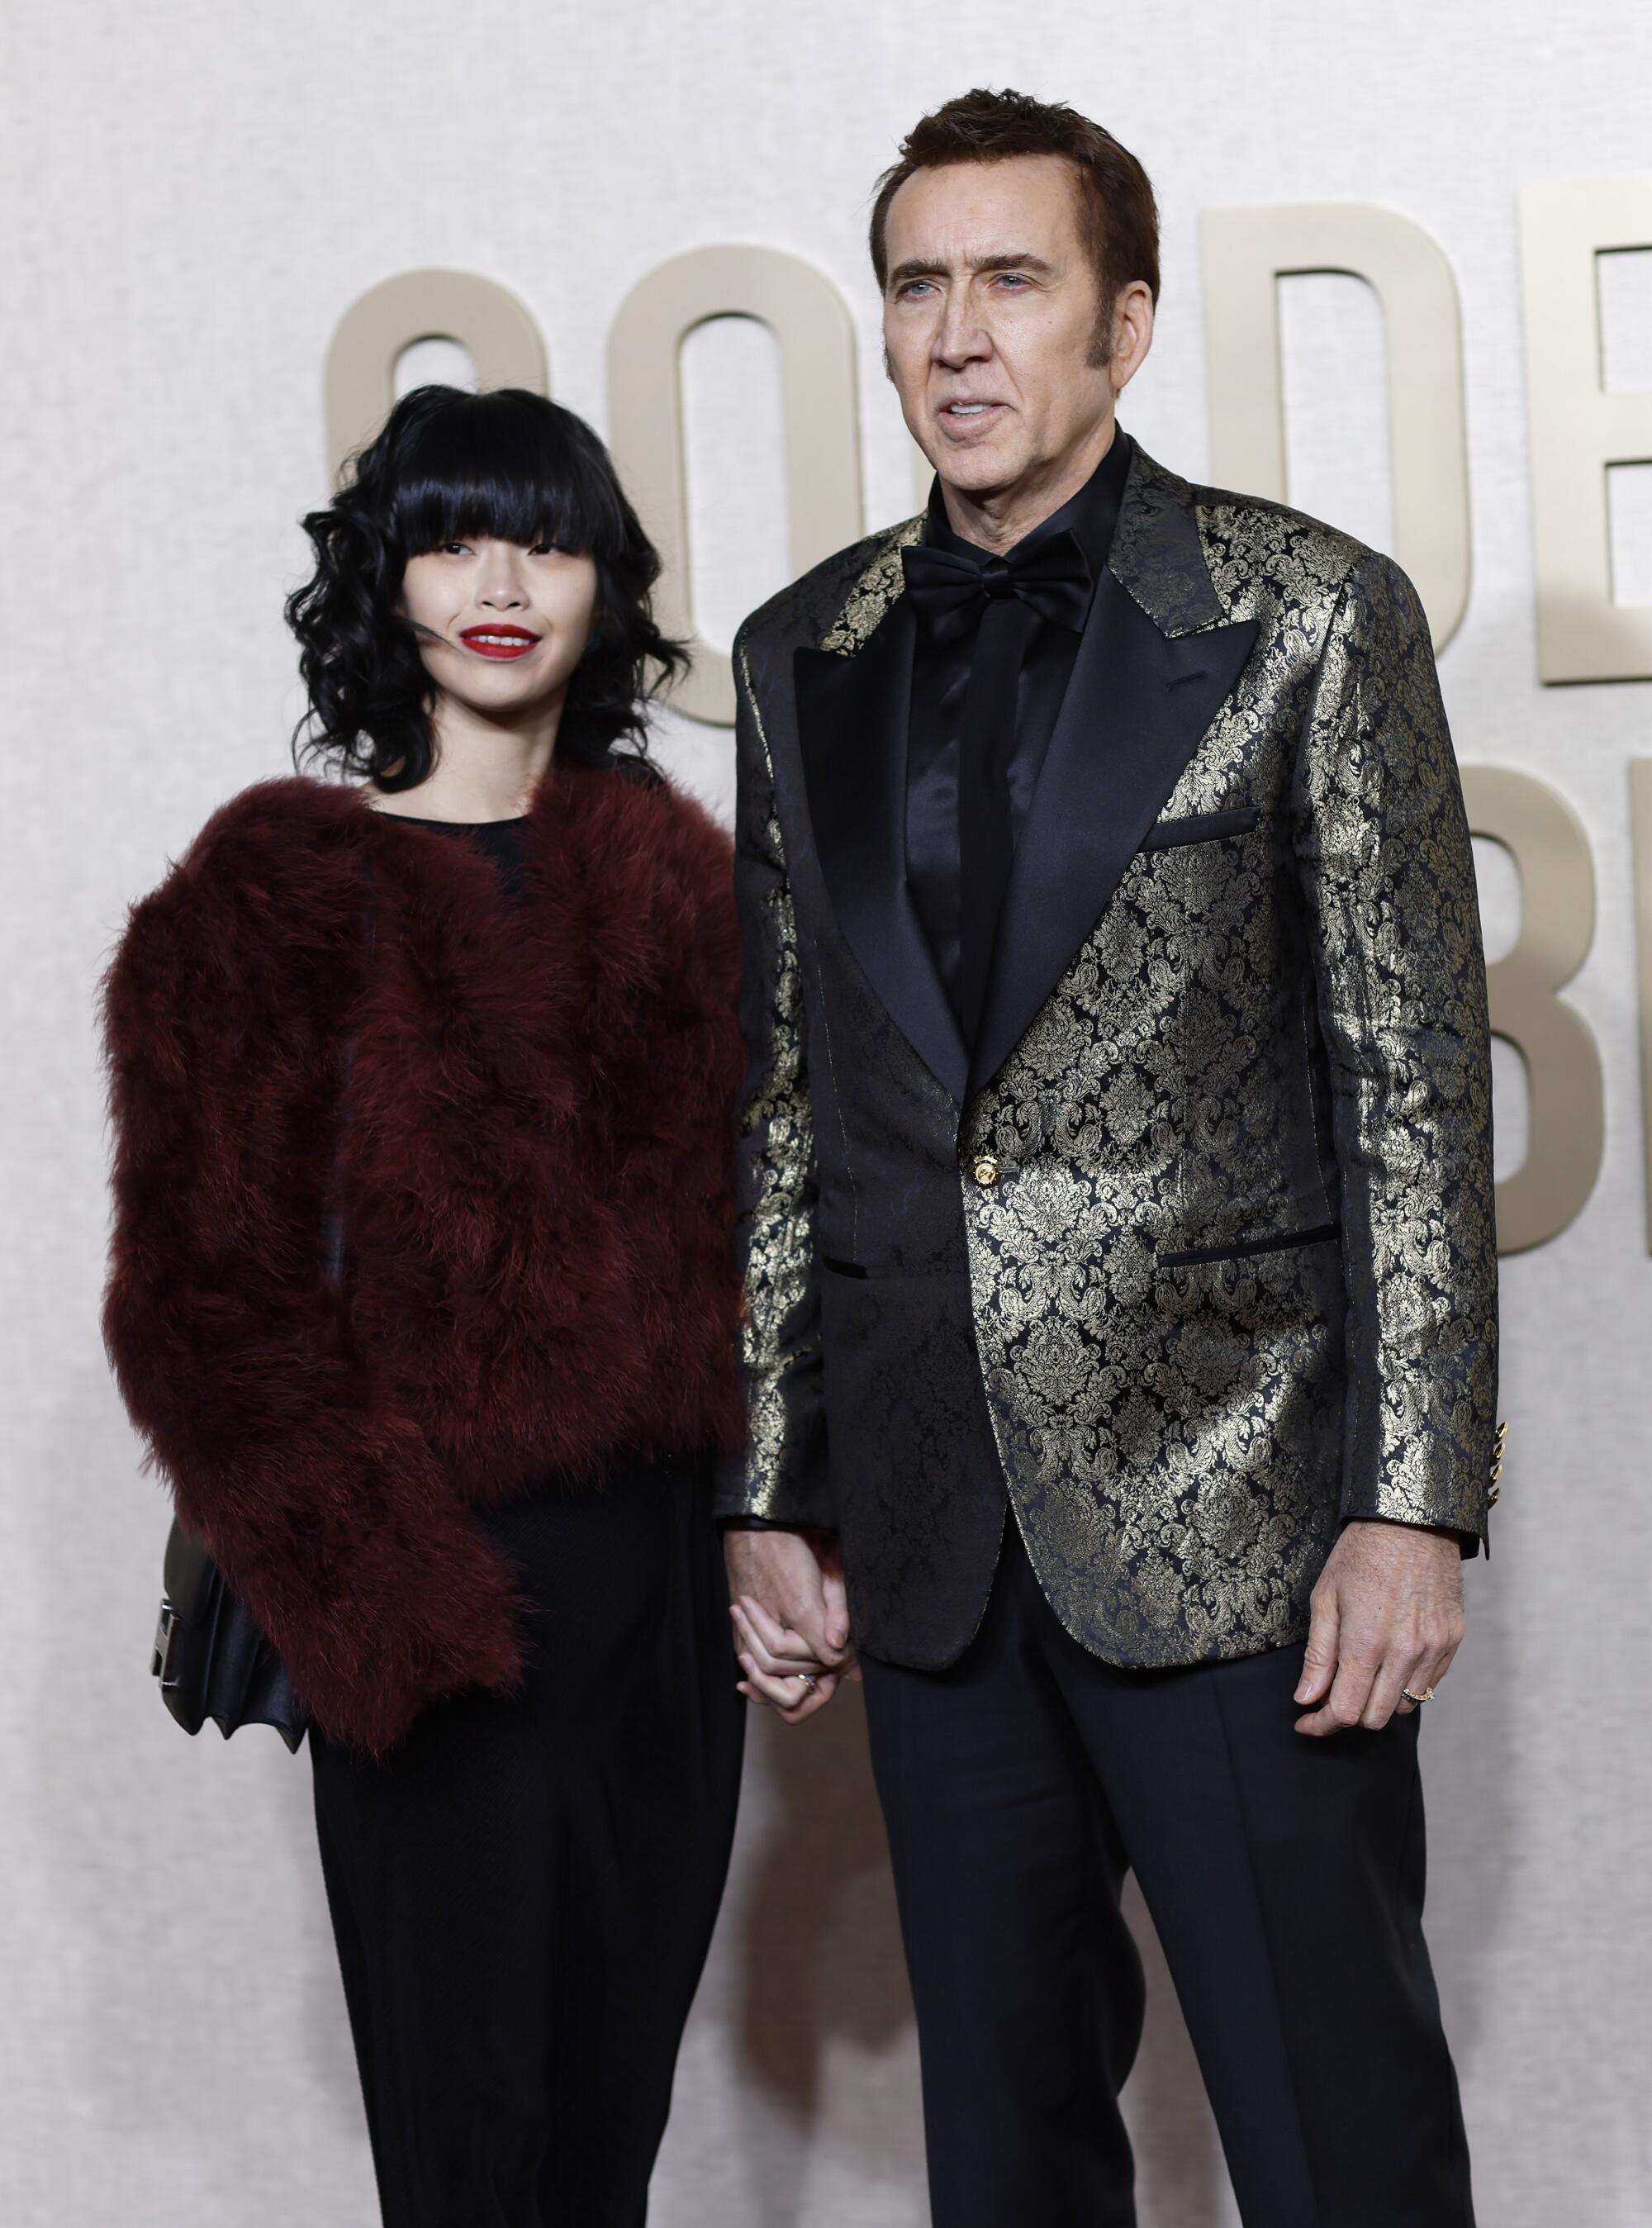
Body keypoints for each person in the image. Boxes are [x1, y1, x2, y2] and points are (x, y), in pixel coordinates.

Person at [717, 87, 1500, 2228]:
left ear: (1127, 321)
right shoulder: (802, 654)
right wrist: (773, 1482)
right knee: (1009, 2161)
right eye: (917, 285)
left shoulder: (1312, 613)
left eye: (1015, 280)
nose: (959, 334)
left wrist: (1411, 1501)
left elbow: (1412, 1078)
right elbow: (795, 1101)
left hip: (1248, 1522)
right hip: (937, 1534)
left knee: (1337, 2138)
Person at [102, 385, 746, 2228]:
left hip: (658, 1623)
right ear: (383, 579)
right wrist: (391, 1611)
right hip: (432, 1611)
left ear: (599, 584)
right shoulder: (271, 891)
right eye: (453, 535)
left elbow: (768, 1249)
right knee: (469, 2164)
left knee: (603, 2151)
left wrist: (762, 1539)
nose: (498, 581)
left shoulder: (676, 884)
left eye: (541, 540)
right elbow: (199, 1304)